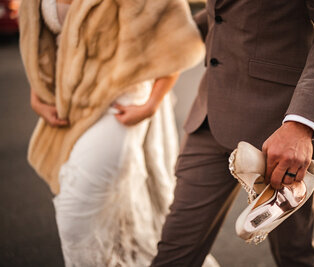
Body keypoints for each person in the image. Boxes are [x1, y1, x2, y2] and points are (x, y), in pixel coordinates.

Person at [152, 0, 314, 266]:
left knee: (294, 254)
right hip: (210, 118)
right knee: (174, 251)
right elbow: (226, 14)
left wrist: (301, 123)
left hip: (280, 129)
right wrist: (157, 35)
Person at [18, 0, 220, 266]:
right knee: (109, 216)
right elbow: (38, 38)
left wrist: (150, 104)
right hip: (69, 106)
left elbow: (176, 42)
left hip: (121, 103)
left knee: (74, 211)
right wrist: (37, 92)